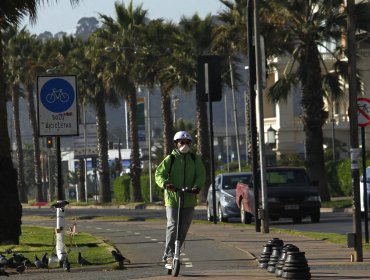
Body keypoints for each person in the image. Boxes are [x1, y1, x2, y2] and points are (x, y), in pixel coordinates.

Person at [155, 131, 206, 267]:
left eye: (187, 143)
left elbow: (201, 174)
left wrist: (197, 186)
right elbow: (159, 173)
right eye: (181, 142)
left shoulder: (194, 159)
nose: (184, 145)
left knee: (184, 227)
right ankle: (169, 256)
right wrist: (166, 184)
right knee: (173, 225)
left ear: (190, 144)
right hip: (172, 198)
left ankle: (176, 251)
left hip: (189, 198)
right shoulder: (170, 159)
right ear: (176, 144)